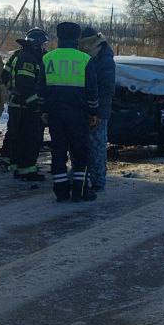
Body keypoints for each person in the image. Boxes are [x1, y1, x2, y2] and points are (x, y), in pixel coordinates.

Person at [42, 21, 99, 202]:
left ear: (59, 38)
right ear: (77, 39)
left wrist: (43, 111)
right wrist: (93, 112)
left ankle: (61, 191)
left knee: (58, 151)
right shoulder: (85, 60)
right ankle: (80, 191)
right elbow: (92, 91)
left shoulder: (47, 58)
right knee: (80, 152)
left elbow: (41, 88)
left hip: (55, 115)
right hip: (78, 115)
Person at [0, 27, 48, 181]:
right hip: (26, 107)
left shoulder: (17, 55)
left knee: (15, 134)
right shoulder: (29, 58)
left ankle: (12, 163)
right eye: (43, 45)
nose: (44, 48)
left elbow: (4, 76)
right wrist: (35, 105)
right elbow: (25, 84)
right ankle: (26, 170)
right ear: (36, 44)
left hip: (16, 104)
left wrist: (12, 90)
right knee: (30, 138)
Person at [78, 26, 115, 195]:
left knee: (97, 146)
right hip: (84, 108)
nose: (81, 46)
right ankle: (82, 177)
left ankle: (98, 179)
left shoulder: (104, 57)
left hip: (99, 109)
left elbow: (107, 88)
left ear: (92, 42)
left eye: (84, 43)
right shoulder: (92, 55)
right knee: (82, 145)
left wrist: (97, 111)